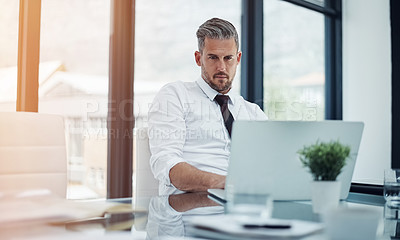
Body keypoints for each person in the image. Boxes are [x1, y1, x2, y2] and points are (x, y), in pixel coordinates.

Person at [148, 17, 267, 195]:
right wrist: (228, 184)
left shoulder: (253, 113)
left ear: (238, 58)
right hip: (192, 208)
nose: (221, 67)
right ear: (198, 58)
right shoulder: (175, 95)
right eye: (213, 57)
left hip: (246, 207)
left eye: (228, 58)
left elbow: (272, 164)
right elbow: (167, 164)